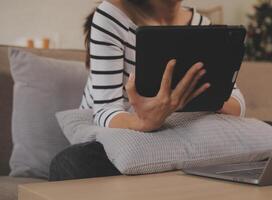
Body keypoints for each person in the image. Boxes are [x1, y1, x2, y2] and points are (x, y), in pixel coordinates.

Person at [49, 0, 247, 181]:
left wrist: (204, 96)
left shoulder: (203, 25)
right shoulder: (110, 16)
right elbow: (104, 111)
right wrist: (144, 122)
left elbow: (236, 102)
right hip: (118, 135)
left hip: (169, 136)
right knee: (72, 163)